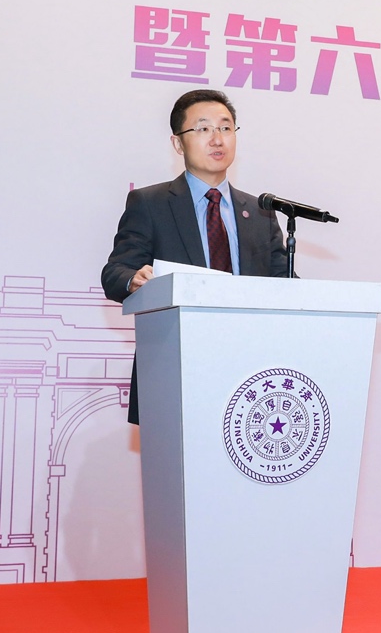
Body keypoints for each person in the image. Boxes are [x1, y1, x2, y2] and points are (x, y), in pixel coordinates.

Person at [102, 89, 290, 423]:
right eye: (203, 129)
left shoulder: (260, 211)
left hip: (251, 371)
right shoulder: (151, 203)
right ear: (178, 143)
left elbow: (283, 284)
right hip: (175, 365)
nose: (217, 139)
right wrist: (134, 279)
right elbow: (115, 271)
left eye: (226, 128)